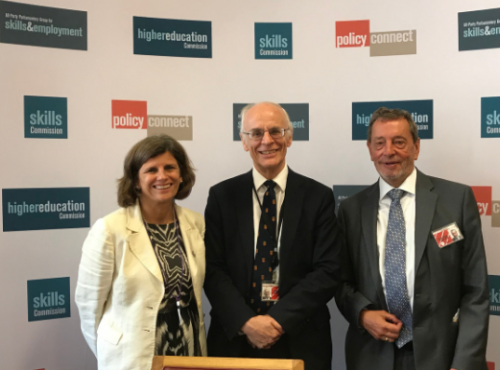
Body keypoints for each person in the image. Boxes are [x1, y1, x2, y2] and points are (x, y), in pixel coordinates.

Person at [335, 107, 489, 370]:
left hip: (442, 357)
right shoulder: (351, 210)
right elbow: (339, 281)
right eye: (379, 143)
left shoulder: (457, 200)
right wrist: (362, 314)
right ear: (370, 149)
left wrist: (464, 363)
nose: (388, 151)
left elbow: (476, 291)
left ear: (416, 147)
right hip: (371, 356)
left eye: (399, 142)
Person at [204, 102, 340, 370]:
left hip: (301, 340)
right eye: (256, 133)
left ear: (289, 136)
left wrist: (276, 321)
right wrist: (247, 322)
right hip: (234, 340)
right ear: (244, 142)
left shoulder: (318, 197)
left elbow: (328, 270)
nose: (267, 140)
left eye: (276, 131)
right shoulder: (222, 197)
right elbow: (212, 269)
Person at [75, 135, 207, 370]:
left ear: (182, 175)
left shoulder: (195, 223)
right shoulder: (109, 230)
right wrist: (112, 352)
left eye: (170, 167)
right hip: (132, 358)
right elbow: (89, 308)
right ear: (136, 181)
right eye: (151, 169)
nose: (162, 176)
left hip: (189, 353)